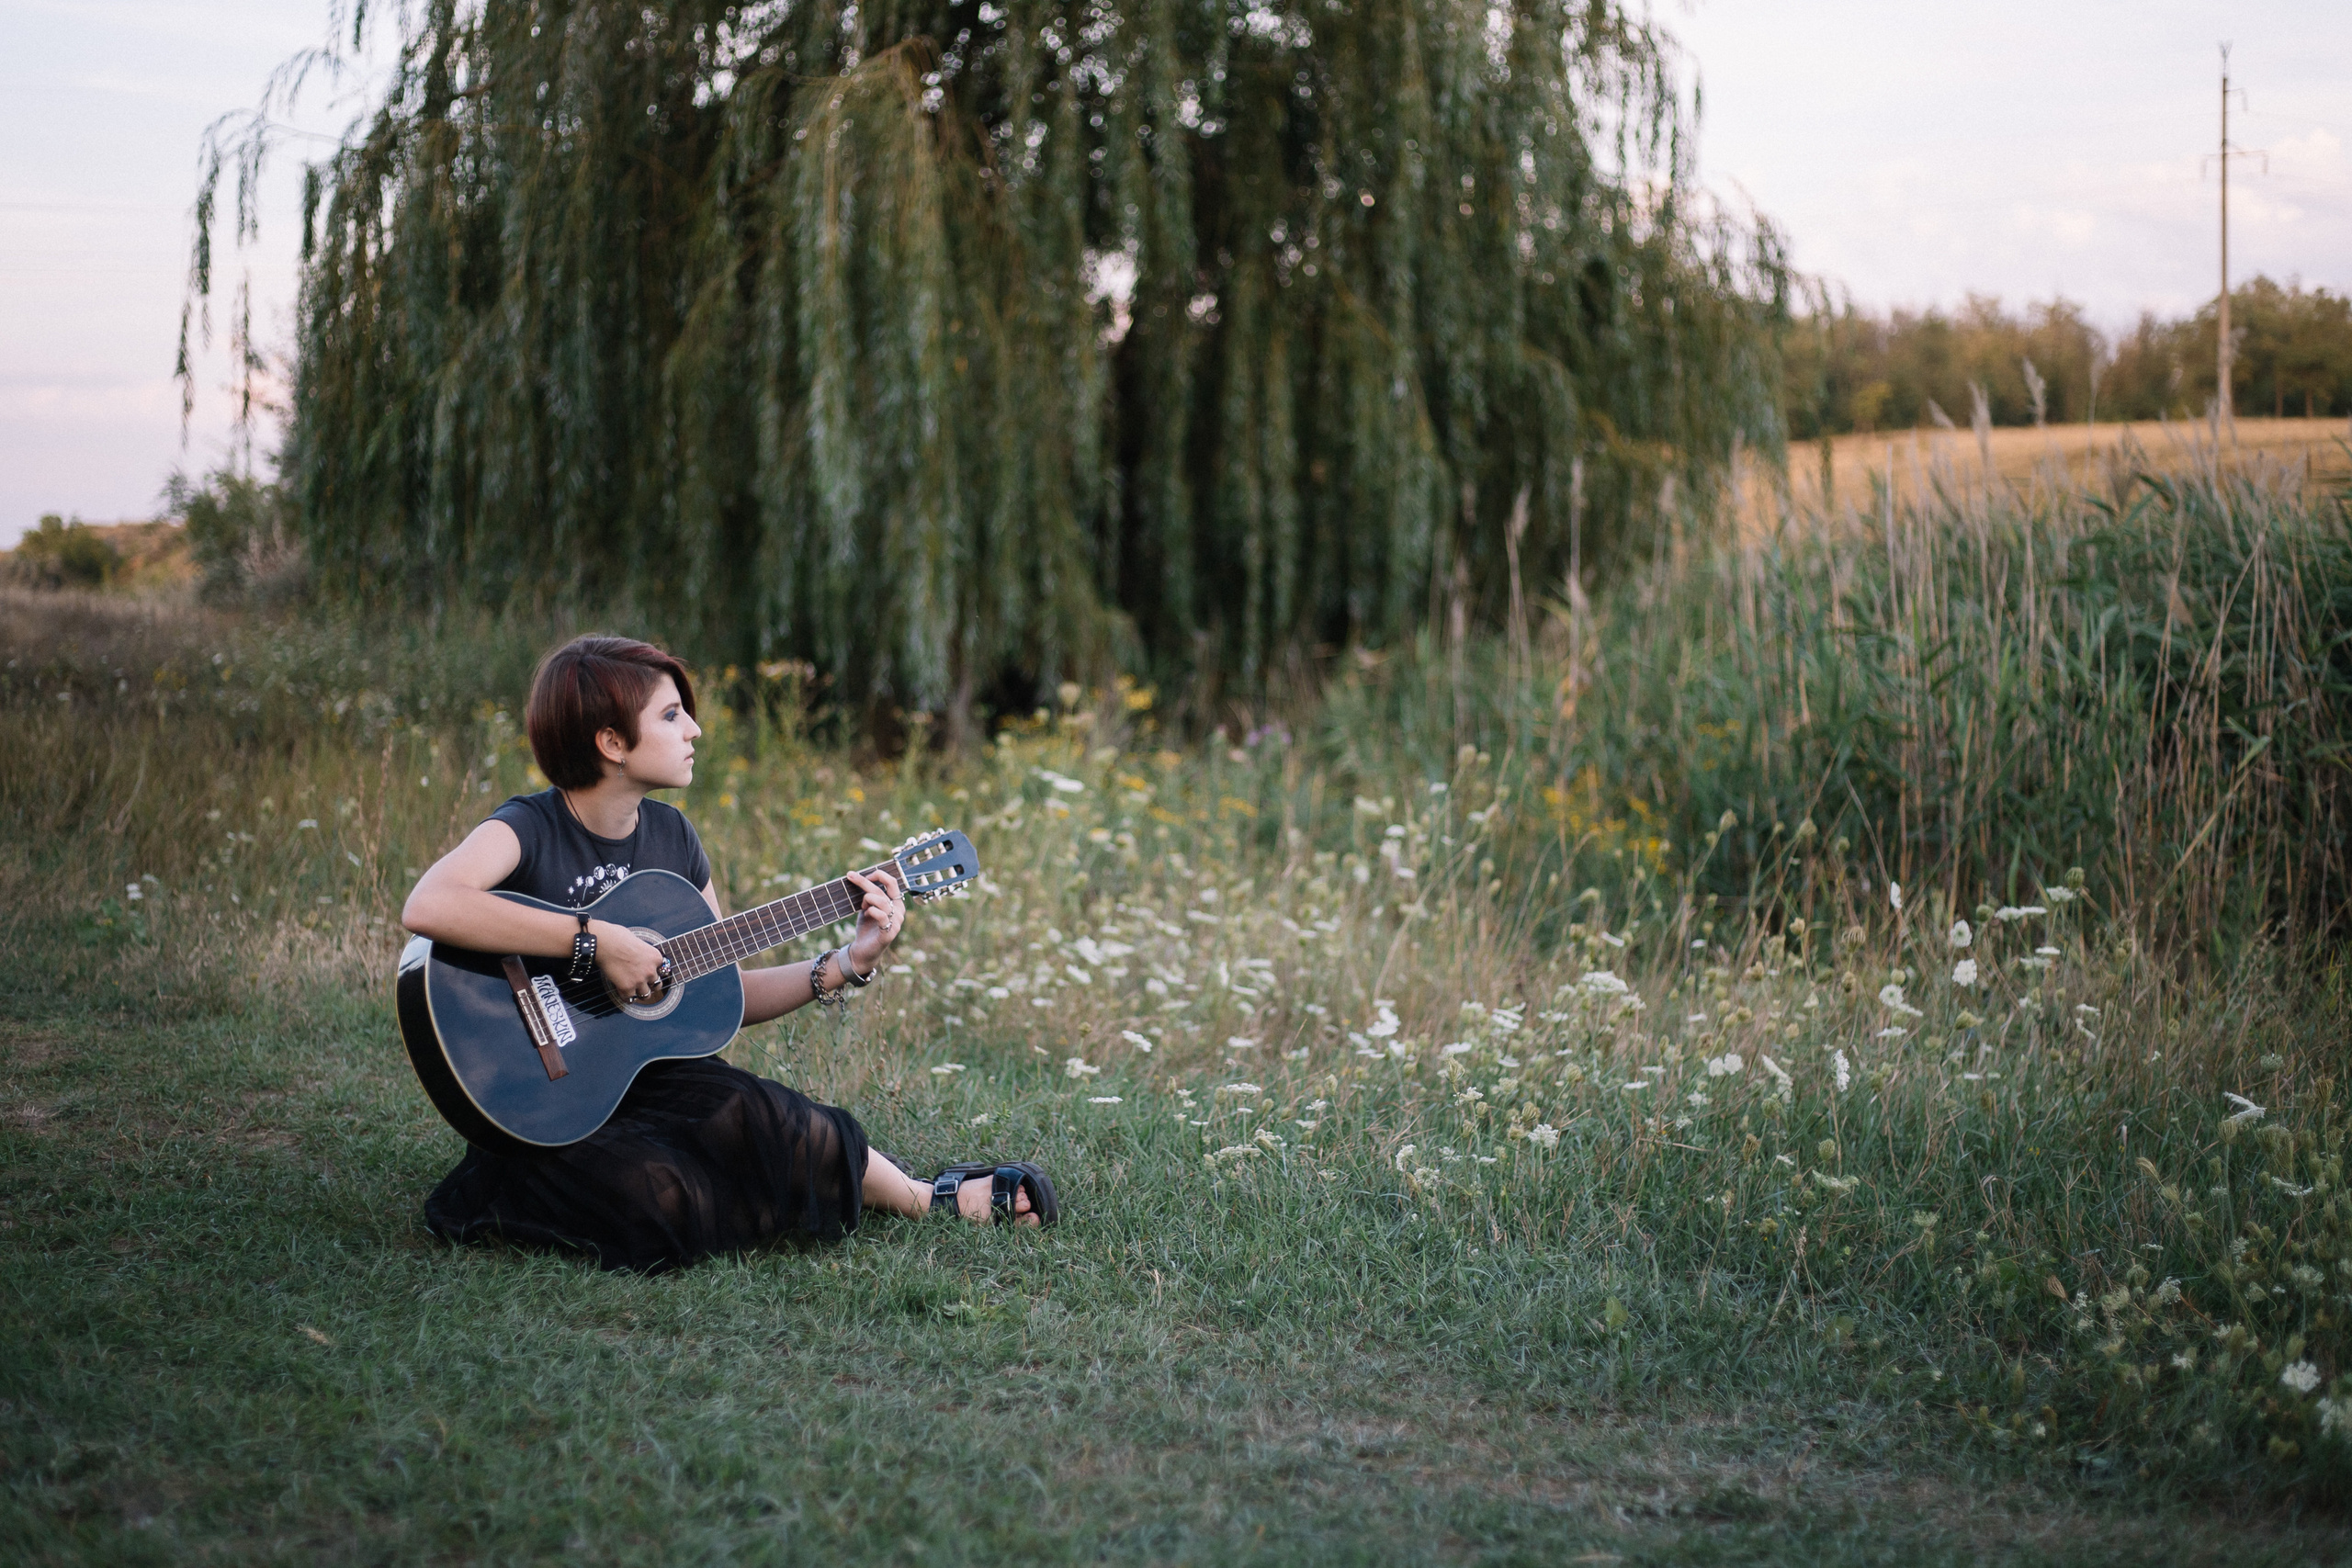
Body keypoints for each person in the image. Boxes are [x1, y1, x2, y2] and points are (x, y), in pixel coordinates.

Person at [401, 634, 1055, 1270]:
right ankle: (509, 1193)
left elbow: (725, 990)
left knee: (780, 1122)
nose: (695, 730)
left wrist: (848, 962)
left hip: (649, 1081)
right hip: (542, 1100)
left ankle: (928, 1197)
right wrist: (595, 941)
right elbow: (429, 904)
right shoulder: (531, 826)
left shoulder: (673, 840)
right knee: (662, 1203)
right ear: (611, 742)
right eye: (671, 714)